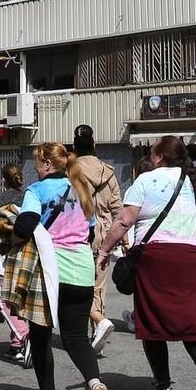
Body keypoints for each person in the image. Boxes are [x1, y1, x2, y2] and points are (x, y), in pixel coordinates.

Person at [94, 134, 196, 390]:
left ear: (160, 156)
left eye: (152, 152)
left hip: (155, 257)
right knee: (194, 316)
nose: (150, 156)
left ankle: (164, 389)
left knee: (152, 319)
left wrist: (104, 251)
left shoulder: (145, 181)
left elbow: (124, 220)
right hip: (190, 255)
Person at [0, 142, 115, 390]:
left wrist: (10, 236)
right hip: (82, 271)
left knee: (40, 336)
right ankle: (96, 382)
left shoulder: (37, 192)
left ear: (48, 165)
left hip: (51, 271)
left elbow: (26, 225)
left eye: (37, 163)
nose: (35, 169)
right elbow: (88, 232)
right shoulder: (81, 190)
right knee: (76, 338)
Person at [70, 126, 124, 352]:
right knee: (98, 285)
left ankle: (79, 331)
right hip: (104, 234)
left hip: (76, 232)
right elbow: (117, 208)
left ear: (74, 147)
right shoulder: (108, 172)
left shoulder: (70, 171)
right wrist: (124, 240)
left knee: (74, 283)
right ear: (94, 146)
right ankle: (97, 331)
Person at [0, 162, 30, 356]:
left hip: (6, 253)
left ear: (3, 179)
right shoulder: (30, 197)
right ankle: (17, 342)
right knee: (23, 297)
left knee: (4, 300)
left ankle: (23, 336)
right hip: (30, 253)